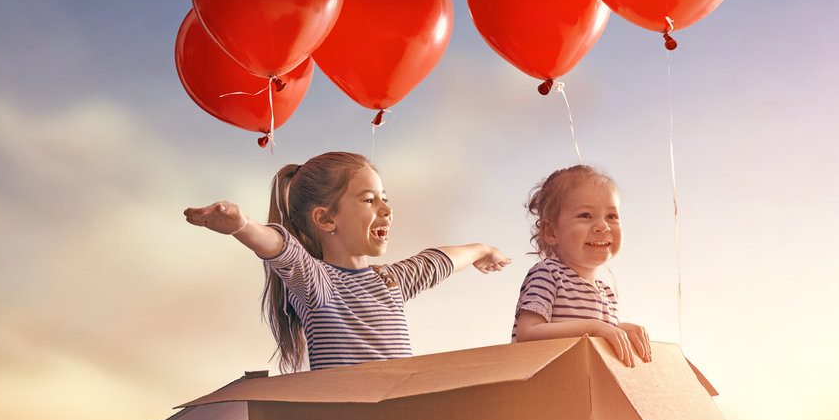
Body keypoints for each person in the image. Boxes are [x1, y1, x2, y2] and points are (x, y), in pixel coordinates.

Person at [183, 151, 511, 372]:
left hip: (399, 418)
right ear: (326, 220)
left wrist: (481, 250)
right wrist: (241, 225)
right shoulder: (316, 282)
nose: (386, 209)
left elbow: (436, 262)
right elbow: (281, 248)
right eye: (369, 200)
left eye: (385, 198)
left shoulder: (391, 281)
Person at [512, 165, 651, 367]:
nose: (602, 226)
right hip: (548, 388)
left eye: (611, 216)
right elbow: (528, 333)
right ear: (550, 232)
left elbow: (597, 344)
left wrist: (619, 330)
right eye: (585, 215)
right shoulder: (548, 274)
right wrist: (595, 329)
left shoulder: (606, 292)